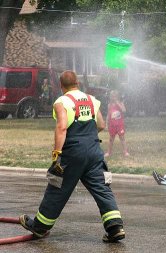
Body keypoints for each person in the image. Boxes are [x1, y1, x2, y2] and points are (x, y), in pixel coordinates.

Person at [19, 70, 125, 242]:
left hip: (73, 153)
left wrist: (57, 154)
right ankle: (115, 227)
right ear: (77, 83)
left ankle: (39, 227)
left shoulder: (62, 101)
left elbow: (61, 127)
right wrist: (88, 138)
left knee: (57, 187)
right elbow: (101, 124)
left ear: (61, 86)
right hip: (94, 152)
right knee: (102, 188)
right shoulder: (92, 100)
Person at [105, 90, 129, 157]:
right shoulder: (109, 105)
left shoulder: (120, 103)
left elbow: (124, 110)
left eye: (115, 96)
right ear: (110, 97)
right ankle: (109, 152)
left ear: (118, 97)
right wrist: (107, 124)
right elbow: (108, 115)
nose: (113, 97)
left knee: (122, 138)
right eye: (112, 96)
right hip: (112, 125)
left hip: (119, 125)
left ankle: (125, 152)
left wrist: (118, 103)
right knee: (111, 139)